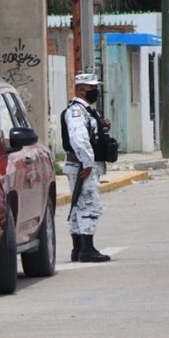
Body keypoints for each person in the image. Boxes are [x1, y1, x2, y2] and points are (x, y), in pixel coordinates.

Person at [61, 73, 112, 263]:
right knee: (90, 204)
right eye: (91, 89)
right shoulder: (76, 111)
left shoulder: (87, 110)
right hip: (82, 164)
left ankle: (78, 249)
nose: (95, 92)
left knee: (79, 205)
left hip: (83, 163)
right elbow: (79, 139)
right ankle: (87, 249)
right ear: (80, 90)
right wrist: (88, 162)